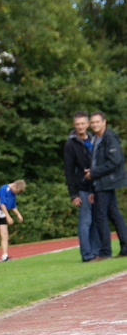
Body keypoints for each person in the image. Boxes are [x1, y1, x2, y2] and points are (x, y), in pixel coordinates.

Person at [84, 111, 127, 260]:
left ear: (104, 122)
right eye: (93, 122)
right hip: (100, 183)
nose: (95, 125)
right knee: (114, 214)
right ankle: (125, 248)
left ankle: (105, 252)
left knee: (100, 216)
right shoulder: (96, 139)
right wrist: (92, 185)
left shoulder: (109, 138)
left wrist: (94, 173)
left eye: (97, 122)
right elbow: (97, 162)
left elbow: (114, 161)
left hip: (107, 182)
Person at [64, 111, 100, 262]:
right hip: (82, 188)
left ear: (87, 124)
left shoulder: (94, 139)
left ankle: (96, 251)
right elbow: (69, 170)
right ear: (74, 125)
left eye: (82, 124)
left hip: (97, 186)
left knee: (96, 220)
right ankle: (86, 254)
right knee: (85, 221)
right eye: (77, 124)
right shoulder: (70, 144)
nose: (80, 126)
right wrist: (74, 194)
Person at [0, 180, 26, 262]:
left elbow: (13, 206)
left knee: (4, 234)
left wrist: (18, 215)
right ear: (15, 186)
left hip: (2, 212)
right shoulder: (3, 189)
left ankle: (5, 255)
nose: (16, 193)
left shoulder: (14, 193)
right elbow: (2, 204)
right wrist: (8, 217)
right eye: (17, 191)